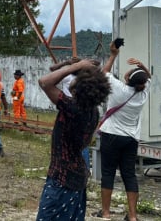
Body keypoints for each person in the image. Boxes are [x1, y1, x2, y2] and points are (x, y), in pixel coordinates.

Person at [36, 59, 110, 221]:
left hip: (62, 179)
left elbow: (44, 82)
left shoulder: (73, 108)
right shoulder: (92, 111)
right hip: (77, 178)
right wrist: (73, 65)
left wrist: (76, 66)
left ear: (79, 88)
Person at [96, 41, 151, 221]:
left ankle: (105, 213)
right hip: (130, 139)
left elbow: (104, 73)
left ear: (127, 79)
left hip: (111, 135)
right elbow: (148, 77)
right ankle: (133, 216)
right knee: (129, 174)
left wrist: (113, 54)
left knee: (108, 173)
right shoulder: (143, 94)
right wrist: (141, 65)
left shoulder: (118, 88)